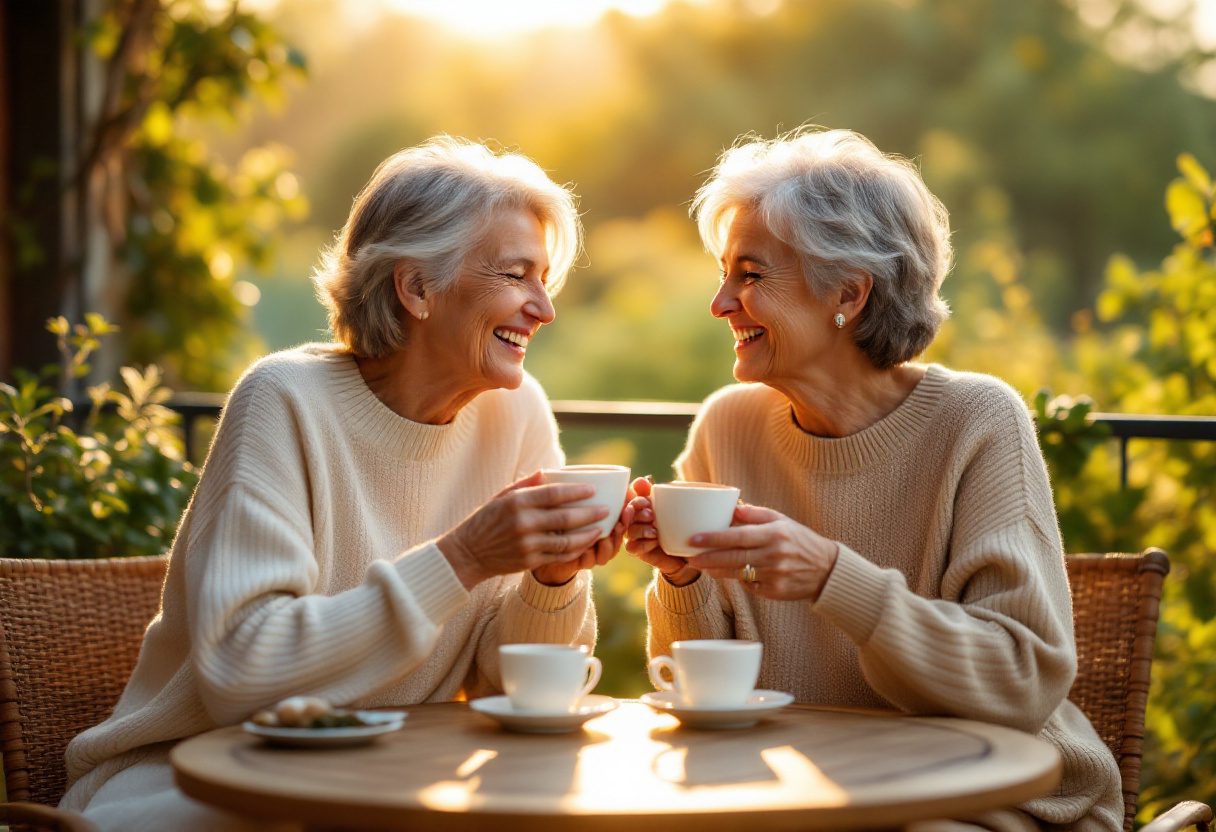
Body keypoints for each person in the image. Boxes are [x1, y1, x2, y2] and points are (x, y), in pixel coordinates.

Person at [61, 137, 622, 831]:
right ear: (416, 288)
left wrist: (552, 580)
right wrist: (464, 558)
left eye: (545, 279)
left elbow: (510, 686)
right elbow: (243, 674)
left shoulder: (517, 409)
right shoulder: (284, 400)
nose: (545, 308)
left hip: (388, 782)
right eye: (516, 276)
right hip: (201, 783)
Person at [626, 128, 1123, 831]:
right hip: (804, 794)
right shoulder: (726, 427)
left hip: (988, 797)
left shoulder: (977, 422)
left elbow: (1019, 682)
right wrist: (681, 580)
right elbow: (702, 687)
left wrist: (833, 577)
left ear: (849, 294)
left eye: (750, 274)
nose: (720, 302)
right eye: (723, 273)